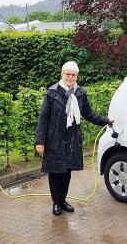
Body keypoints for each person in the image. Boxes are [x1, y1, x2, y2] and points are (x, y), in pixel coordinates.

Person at [35, 61, 112, 216]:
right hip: (54, 139)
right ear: (62, 74)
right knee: (55, 173)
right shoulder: (51, 93)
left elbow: (88, 114)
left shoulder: (80, 93)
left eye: (73, 74)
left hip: (71, 140)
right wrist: (40, 141)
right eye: (67, 74)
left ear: (76, 76)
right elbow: (43, 118)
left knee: (67, 172)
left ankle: (63, 200)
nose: (70, 77)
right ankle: (56, 203)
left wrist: (107, 121)